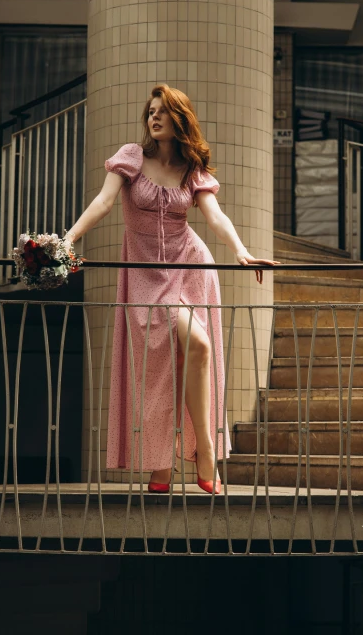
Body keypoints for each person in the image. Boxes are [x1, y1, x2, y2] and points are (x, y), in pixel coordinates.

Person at [65, 84, 276, 494]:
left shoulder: (191, 169)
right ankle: (163, 462)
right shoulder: (131, 157)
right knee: (159, 367)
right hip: (144, 273)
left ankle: (204, 449)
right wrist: (68, 240)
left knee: (197, 348)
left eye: (162, 111)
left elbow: (214, 216)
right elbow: (104, 203)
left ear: (179, 118)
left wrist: (241, 251)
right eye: (150, 112)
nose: (154, 117)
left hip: (190, 266)